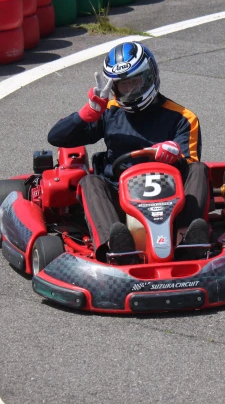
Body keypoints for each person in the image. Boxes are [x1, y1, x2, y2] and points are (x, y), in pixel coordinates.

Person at [47, 41, 211, 262]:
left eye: (134, 82)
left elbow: (191, 168)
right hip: (120, 195)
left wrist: (176, 155)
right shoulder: (109, 113)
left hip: (170, 197)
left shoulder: (183, 117)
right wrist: (86, 115)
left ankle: (188, 241)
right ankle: (114, 248)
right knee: (90, 182)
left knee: (199, 169)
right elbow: (56, 137)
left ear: (149, 77)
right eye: (122, 86)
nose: (129, 90)